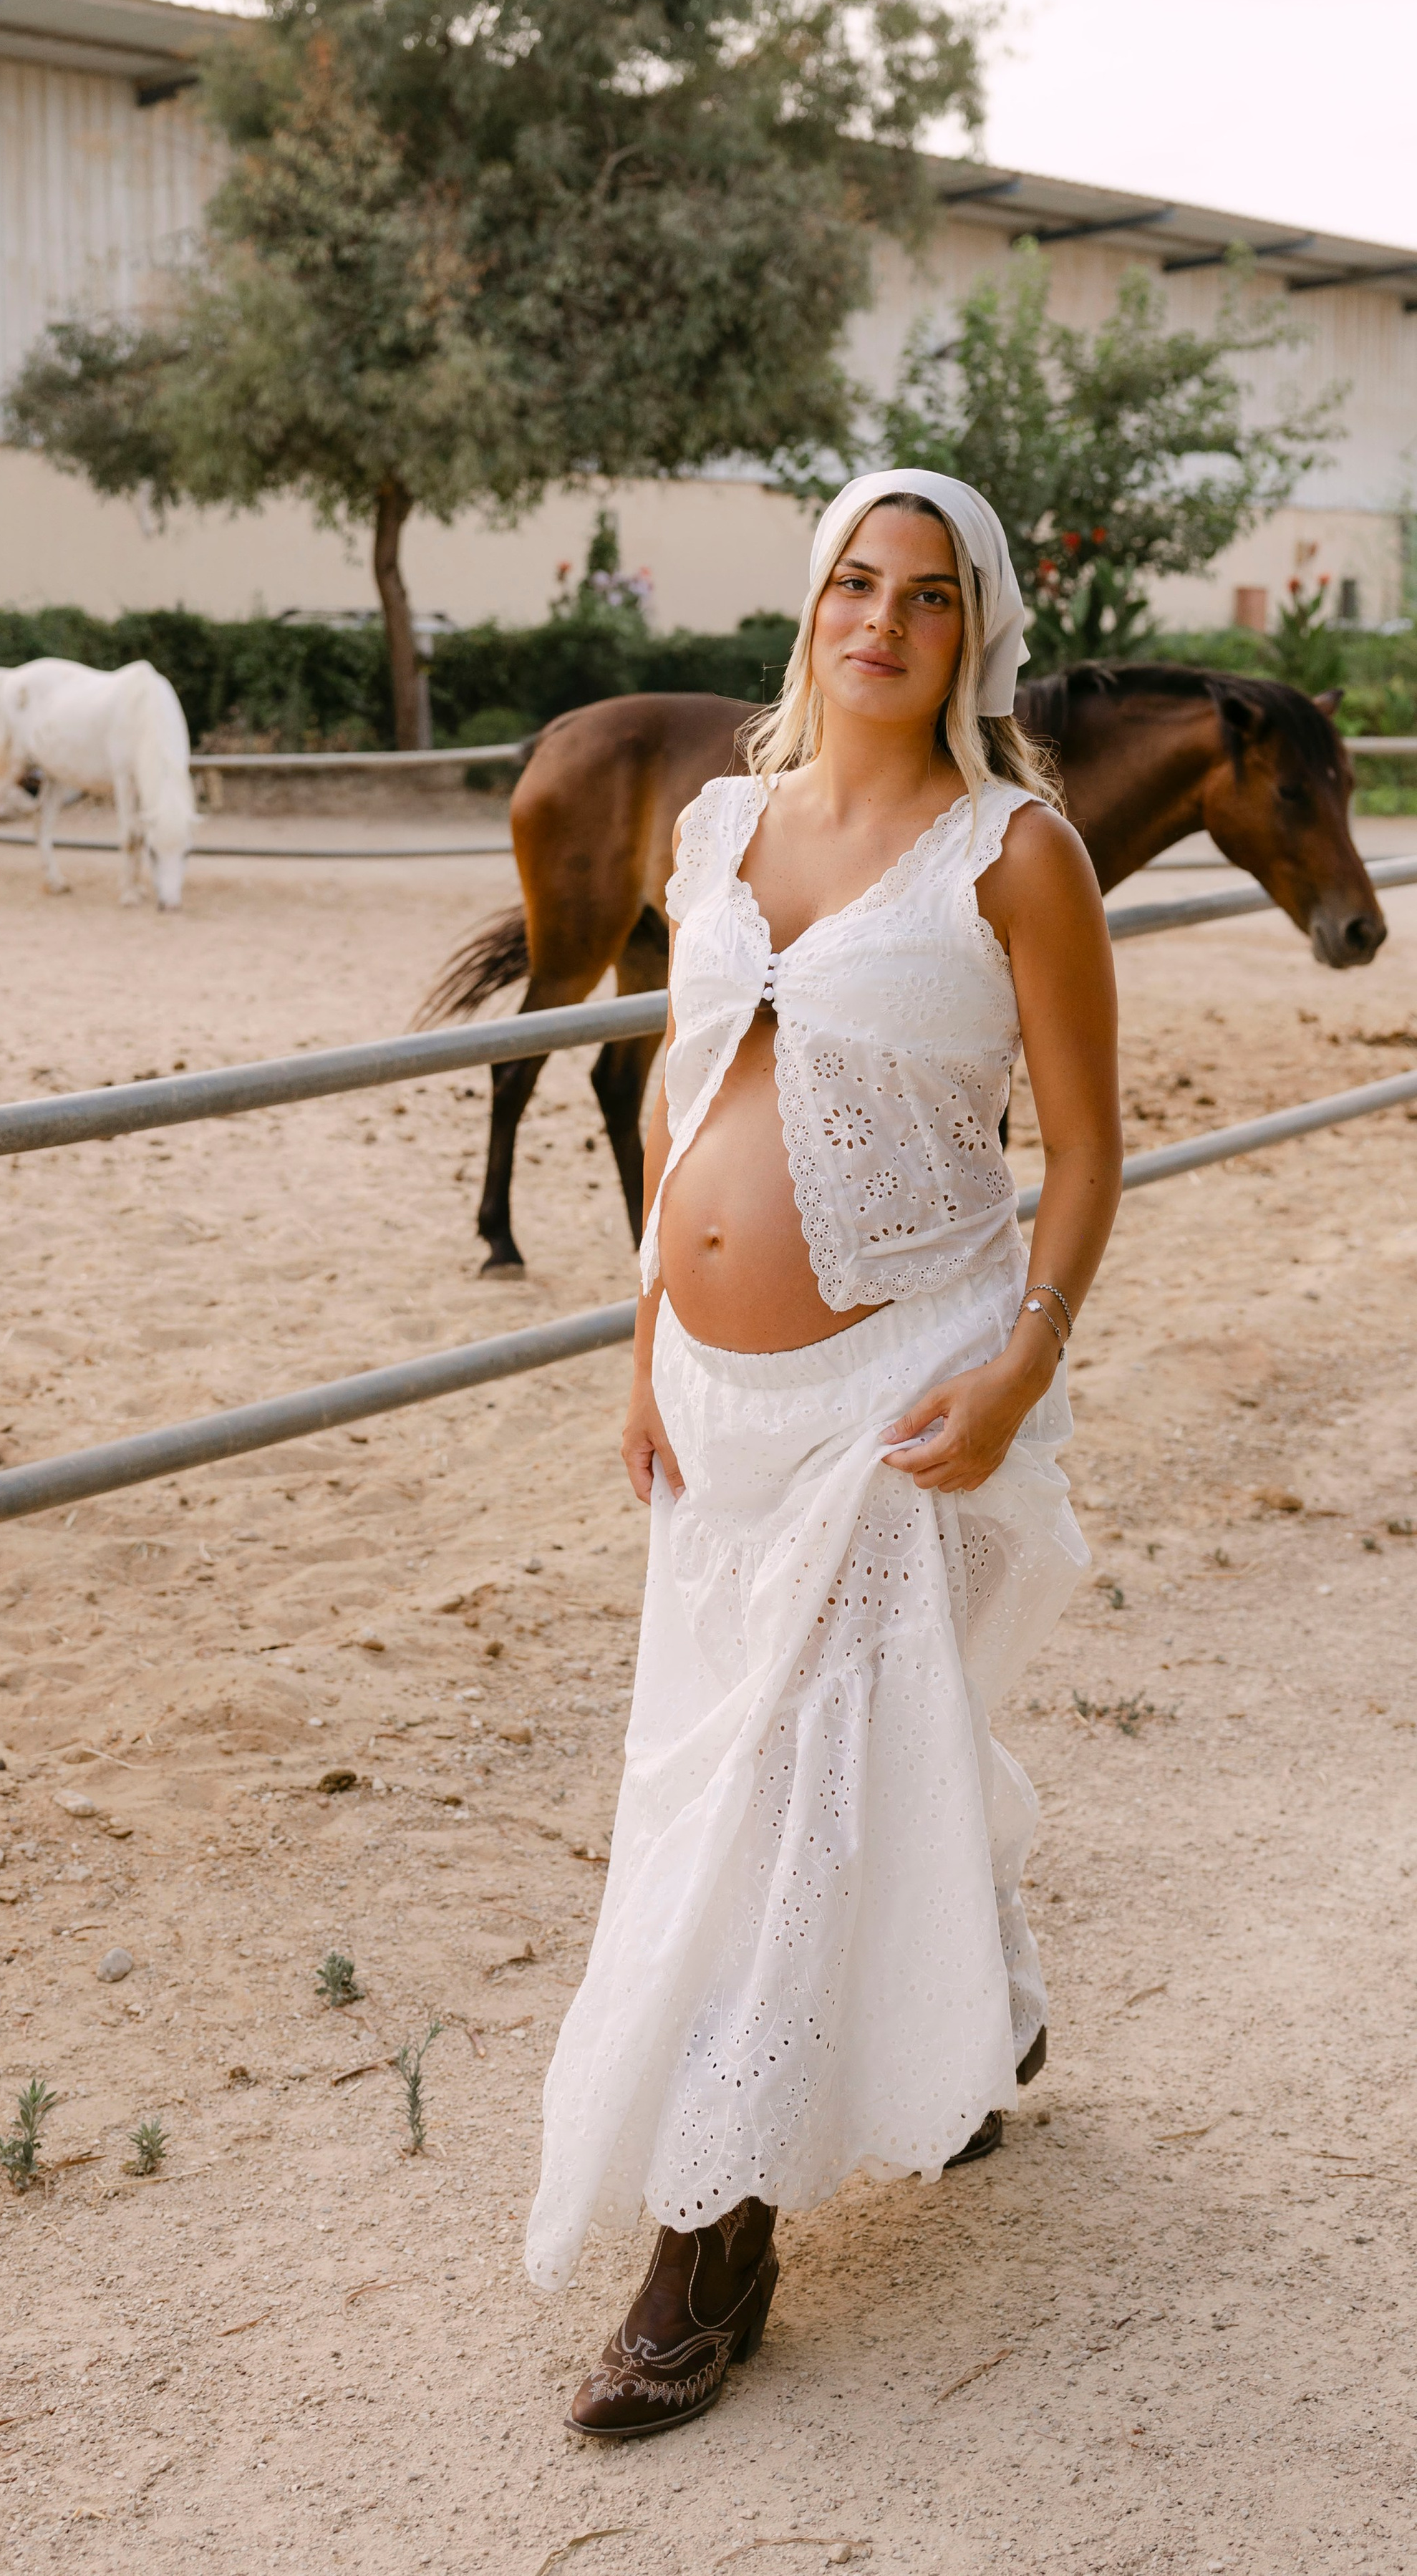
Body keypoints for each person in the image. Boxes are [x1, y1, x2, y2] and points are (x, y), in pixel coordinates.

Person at [525, 470, 1122, 2438]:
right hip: (712, 1403)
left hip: (907, 1396)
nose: (881, 619)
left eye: (926, 596)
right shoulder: (718, 826)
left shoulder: (1015, 853)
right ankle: (990, 2017)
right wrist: (642, 1345)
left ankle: (712, 2247)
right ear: (812, 606)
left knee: (788, 1809)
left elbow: (1088, 1152)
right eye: (854, 584)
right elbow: (693, 1097)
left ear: (975, 632)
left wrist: (1024, 1370)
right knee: (765, 1770)